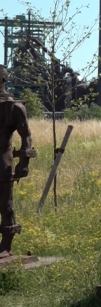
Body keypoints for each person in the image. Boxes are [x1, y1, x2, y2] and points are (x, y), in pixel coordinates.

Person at [0, 65, 36, 258]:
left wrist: (24, 162)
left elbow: (26, 136)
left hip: (2, 160)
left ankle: (5, 244)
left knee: (5, 202)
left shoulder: (13, 107)